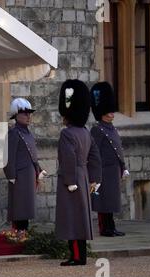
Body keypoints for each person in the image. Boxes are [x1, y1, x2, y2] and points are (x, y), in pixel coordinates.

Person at [55, 80, 102, 266]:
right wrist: (95, 178)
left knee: (71, 218)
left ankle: (75, 256)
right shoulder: (85, 132)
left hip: (72, 178)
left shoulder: (67, 134)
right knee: (81, 217)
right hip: (83, 176)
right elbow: (95, 156)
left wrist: (70, 180)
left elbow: (68, 159)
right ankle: (80, 255)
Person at [90, 82, 129, 237]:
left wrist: (123, 166)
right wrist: (95, 173)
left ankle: (111, 227)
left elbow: (118, 149)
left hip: (113, 170)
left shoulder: (112, 128)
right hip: (103, 171)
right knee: (103, 201)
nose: (112, 113)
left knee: (111, 201)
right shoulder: (97, 129)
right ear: (103, 112)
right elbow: (94, 152)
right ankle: (104, 228)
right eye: (109, 111)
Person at [3, 98, 48, 231]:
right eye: (24, 113)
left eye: (29, 113)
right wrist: (11, 176)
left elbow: (32, 156)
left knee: (26, 210)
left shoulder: (27, 133)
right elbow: (8, 157)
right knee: (19, 210)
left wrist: (38, 170)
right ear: (16, 115)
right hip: (19, 177)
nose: (28, 116)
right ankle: (18, 235)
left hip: (29, 176)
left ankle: (24, 234)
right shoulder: (14, 133)